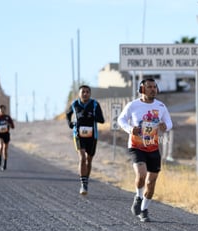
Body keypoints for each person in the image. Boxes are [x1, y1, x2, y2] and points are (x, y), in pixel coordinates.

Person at [117, 78, 173, 222]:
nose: (153, 89)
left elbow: (169, 122)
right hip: (136, 146)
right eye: (149, 87)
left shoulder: (161, 106)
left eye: (154, 87)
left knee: (151, 182)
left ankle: (144, 209)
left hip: (153, 147)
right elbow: (121, 120)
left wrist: (165, 126)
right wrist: (130, 129)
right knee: (141, 175)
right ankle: (138, 196)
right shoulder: (133, 105)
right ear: (142, 89)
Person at [66, 85, 105, 195]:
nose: (85, 94)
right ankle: (83, 185)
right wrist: (70, 123)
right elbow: (67, 114)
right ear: (79, 93)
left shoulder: (95, 104)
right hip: (78, 135)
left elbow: (101, 120)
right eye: (83, 92)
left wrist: (91, 116)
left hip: (92, 136)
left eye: (87, 92)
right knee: (82, 157)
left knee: (89, 160)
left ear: (90, 94)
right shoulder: (75, 104)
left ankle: (86, 181)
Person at [0, 105, 15, 171]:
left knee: (5, 150)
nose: (2, 111)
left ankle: (4, 164)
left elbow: (13, 127)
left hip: (6, 135)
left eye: (3, 110)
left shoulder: (8, 117)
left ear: (5, 110)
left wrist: (9, 124)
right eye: (1, 110)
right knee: (1, 146)